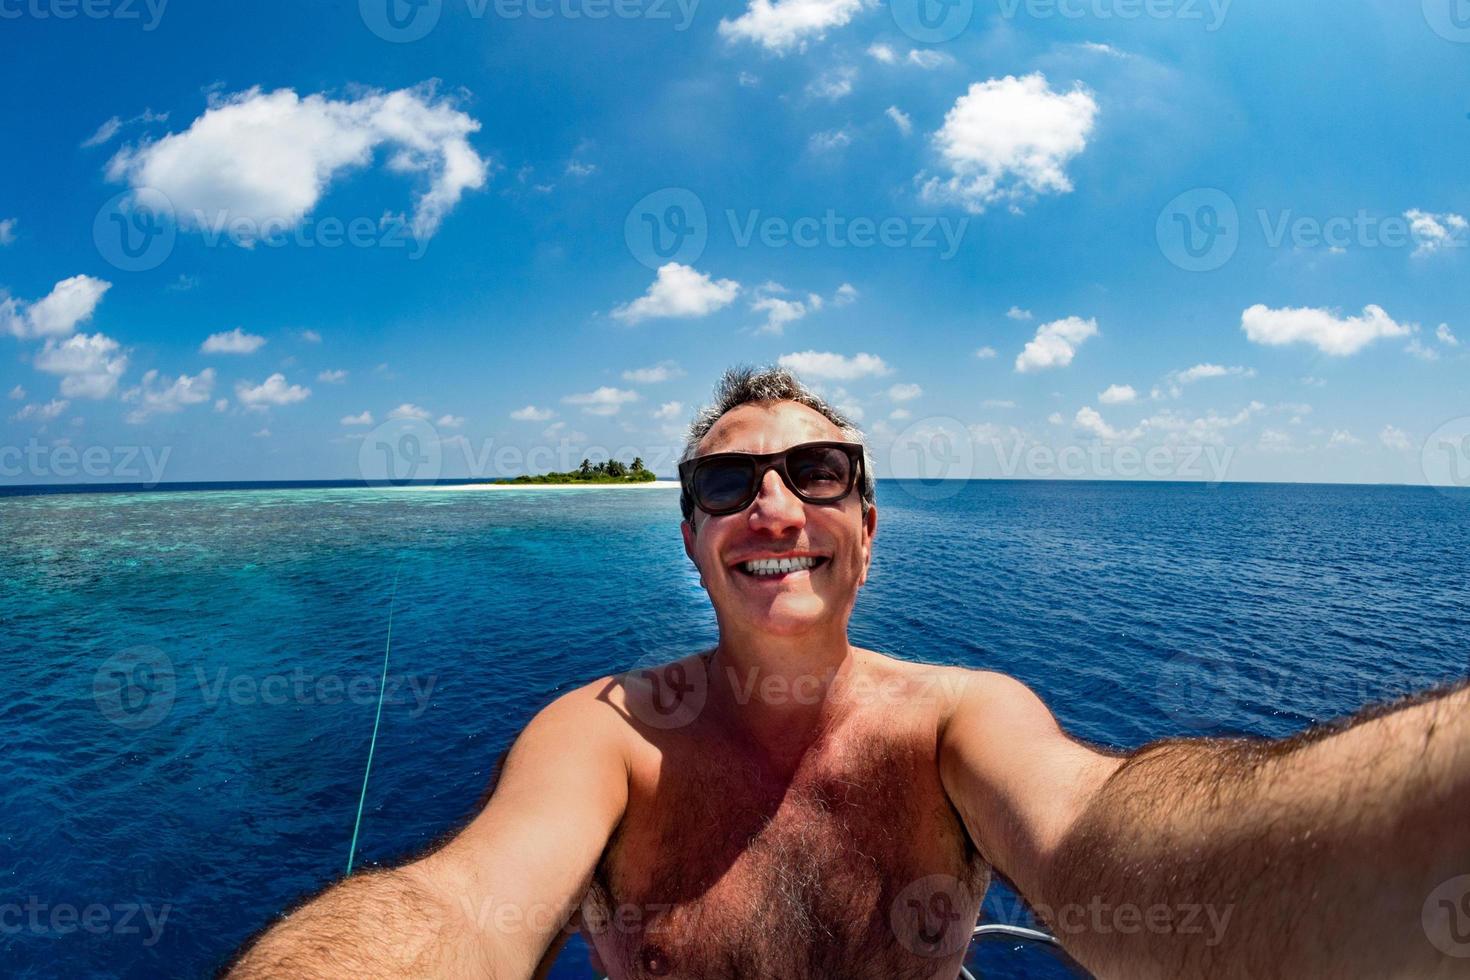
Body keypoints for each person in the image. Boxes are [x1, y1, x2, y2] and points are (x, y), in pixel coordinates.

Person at [229, 366, 1470, 979]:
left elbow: (1114, 833)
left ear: (866, 526)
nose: (772, 503)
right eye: (727, 482)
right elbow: (459, 908)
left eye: (818, 473)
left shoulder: (959, 719)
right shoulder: (604, 736)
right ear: (694, 543)